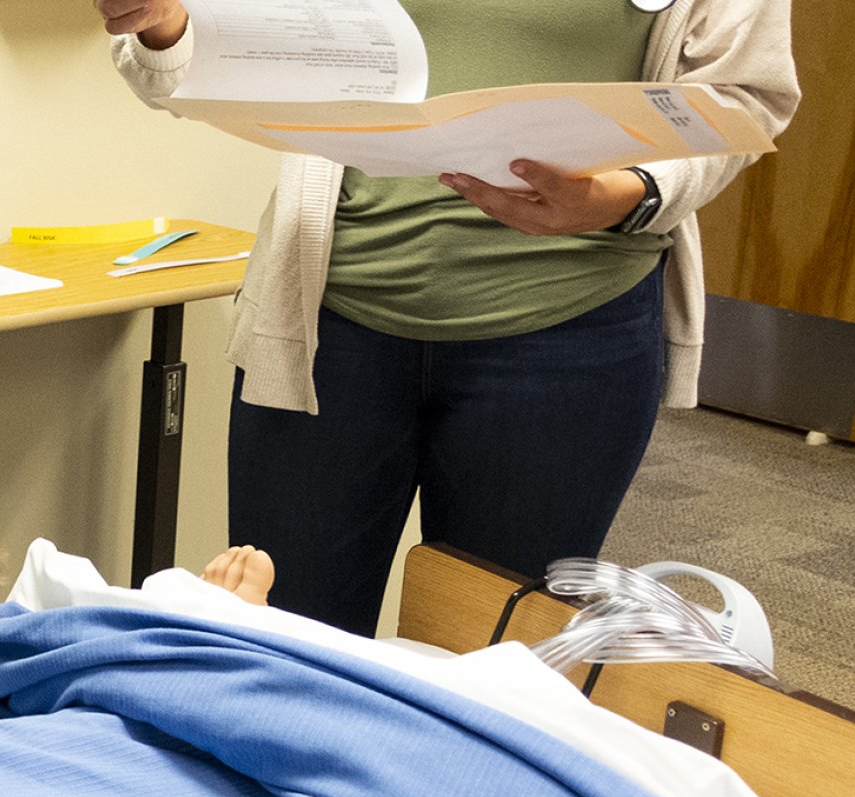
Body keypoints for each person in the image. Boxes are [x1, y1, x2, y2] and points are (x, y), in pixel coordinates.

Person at [93, 0, 798, 635]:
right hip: (327, 327)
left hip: (568, 335)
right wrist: (166, 27)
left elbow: (746, 94)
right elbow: (191, 50)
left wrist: (631, 194)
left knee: (491, 669)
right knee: (281, 646)